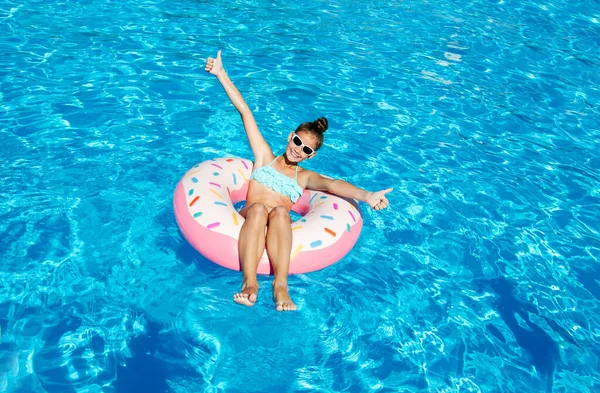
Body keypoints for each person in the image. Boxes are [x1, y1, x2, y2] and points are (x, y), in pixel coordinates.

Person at [205, 50, 393, 311]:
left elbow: (333, 185)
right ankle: (250, 283)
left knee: (281, 212)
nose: (298, 149)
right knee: (260, 209)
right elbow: (245, 112)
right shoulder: (264, 156)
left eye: (306, 149)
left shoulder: (303, 177)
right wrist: (221, 74)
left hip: (279, 222)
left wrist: (368, 195)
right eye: (297, 142)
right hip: (252, 215)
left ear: (311, 156)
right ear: (290, 136)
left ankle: (280, 286)